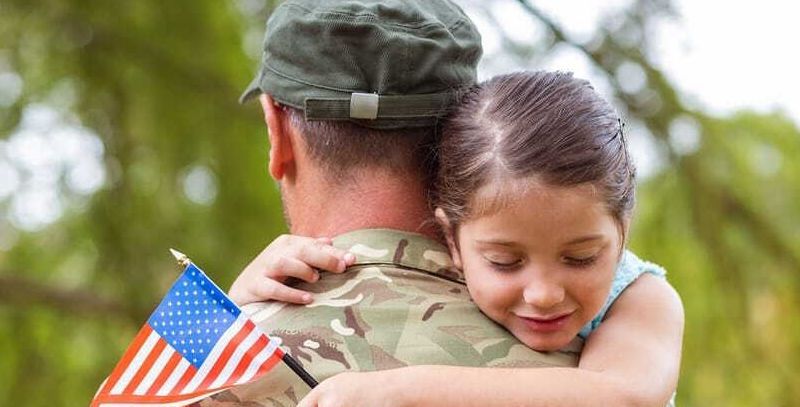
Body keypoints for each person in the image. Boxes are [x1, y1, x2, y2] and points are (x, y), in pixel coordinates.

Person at [204, 1, 584, 405]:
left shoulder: (203, 370)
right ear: (466, 137)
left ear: (277, 134)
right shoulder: (595, 362)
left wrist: (216, 326)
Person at [233, 71, 684, 407]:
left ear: (622, 232)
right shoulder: (428, 270)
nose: (544, 294)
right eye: (506, 262)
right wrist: (239, 300)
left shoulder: (642, 297)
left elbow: (622, 396)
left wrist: (401, 390)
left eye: (582, 257)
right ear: (451, 240)